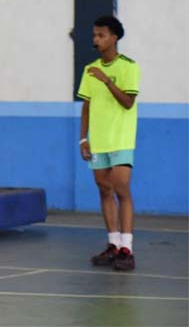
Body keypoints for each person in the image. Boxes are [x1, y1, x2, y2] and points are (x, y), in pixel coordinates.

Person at [77, 15, 140, 271]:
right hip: (98, 142)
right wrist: (84, 138)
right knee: (104, 190)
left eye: (101, 35)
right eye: (94, 35)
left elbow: (127, 102)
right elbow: (86, 107)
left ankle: (128, 249)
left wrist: (106, 80)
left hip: (121, 140)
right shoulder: (89, 70)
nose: (96, 40)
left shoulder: (129, 67)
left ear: (114, 37)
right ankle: (113, 244)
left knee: (121, 189)